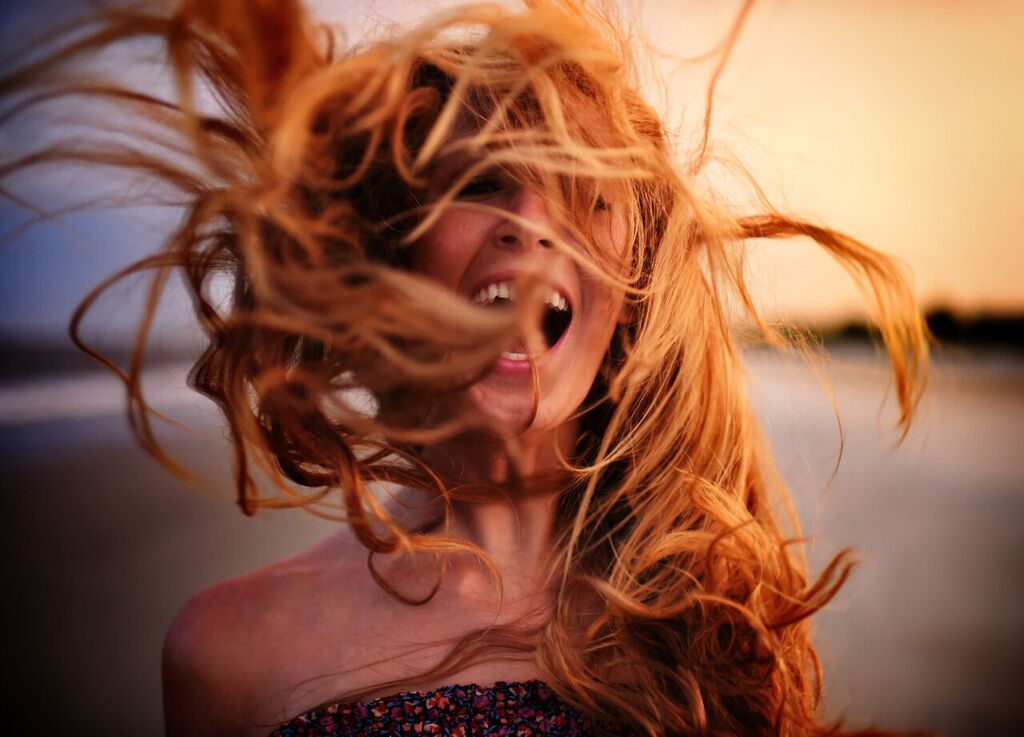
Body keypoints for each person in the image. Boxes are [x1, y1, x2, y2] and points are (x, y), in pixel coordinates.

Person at [0, 0, 929, 735]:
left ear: (629, 289)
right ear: (393, 252)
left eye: (587, 195)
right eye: (482, 181)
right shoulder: (226, 651)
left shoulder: (716, 614)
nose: (531, 224)